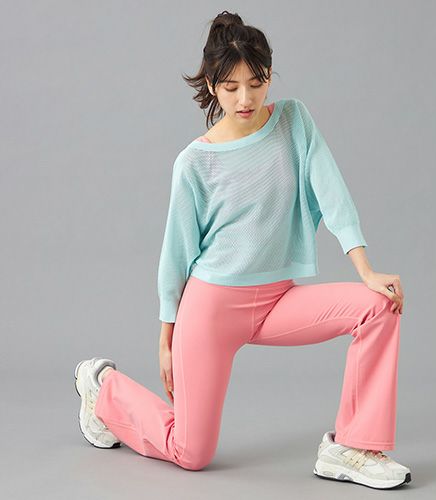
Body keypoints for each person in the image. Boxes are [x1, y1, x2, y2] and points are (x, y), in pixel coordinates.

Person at [74, 11, 412, 490]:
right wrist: (166, 339)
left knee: (379, 305)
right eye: (231, 87)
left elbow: (332, 192)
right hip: (211, 309)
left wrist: (366, 269)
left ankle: (353, 447)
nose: (246, 99)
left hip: (278, 301)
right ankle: (103, 389)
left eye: (256, 83)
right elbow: (176, 254)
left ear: (270, 75)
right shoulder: (195, 162)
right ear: (212, 86)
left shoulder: (293, 121)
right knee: (192, 453)